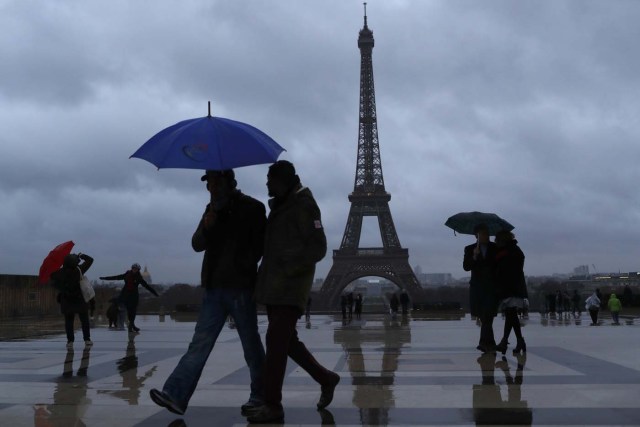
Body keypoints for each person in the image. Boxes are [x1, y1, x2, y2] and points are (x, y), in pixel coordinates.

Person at [149, 169, 267, 416]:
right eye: (209, 183)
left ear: (228, 183)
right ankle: (176, 395)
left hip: (240, 286)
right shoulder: (210, 210)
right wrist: (208, 226)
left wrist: (238, 256)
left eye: (214, 182)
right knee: (200, 344)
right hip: (214, 286)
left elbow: (259, 248)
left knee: (250, 345)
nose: (210, 187)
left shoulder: (252, 209)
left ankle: (261, 396)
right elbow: (196, 244)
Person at [248, 160, 340, 424]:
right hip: (276, 286)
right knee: (287, 343)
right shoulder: (281, 207)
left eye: (271, 179)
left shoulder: (304, 206)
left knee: (276, 342)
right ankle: (327, 378)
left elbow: (319, 247)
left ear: (286, 181)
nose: (266, 183)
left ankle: (273, 405)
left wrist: (287, 264)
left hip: (290, 287)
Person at [463, 224, 498, 353]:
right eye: (484, 234)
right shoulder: (470, 249)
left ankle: (485, 343)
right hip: (478, 288)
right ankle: (487, 343)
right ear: (476, 236)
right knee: (486, 317)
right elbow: (466, 267)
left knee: (487, 316)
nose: (487, 236)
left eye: (487, 233)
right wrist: (474, 256)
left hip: (491, 287)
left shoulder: (495, 248)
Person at [50, 253, 94, 348]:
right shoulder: (79, 270)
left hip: (67, 299)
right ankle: (87, 339)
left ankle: (70, 341)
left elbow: (53, 279)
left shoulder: (60, 273)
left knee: (69, 322)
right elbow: (90, 260)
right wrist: (81, 256)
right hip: (80, 299)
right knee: (84, 321)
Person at [494, 230, 527, 355]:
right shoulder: (513, 251)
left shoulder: (509, 252)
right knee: (510, 315)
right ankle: (514, 341)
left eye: (497, 240)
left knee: (511, 315)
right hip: (512, 287)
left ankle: (507, 341)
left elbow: (507, 270)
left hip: (511, 287)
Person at [100, 263, 159, 332]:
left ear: (138, 270)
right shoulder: (127, 275)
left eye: (136, 269)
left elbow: (146, 286)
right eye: (134, 268)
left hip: (133, 297)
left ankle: (131, 326)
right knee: (128, 312)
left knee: (132, 312)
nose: (135, 270)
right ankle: (131, 326)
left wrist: (155, 293)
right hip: (125, 296)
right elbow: (116, 277)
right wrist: (105, 278)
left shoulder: (139, 277)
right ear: (132, 269)